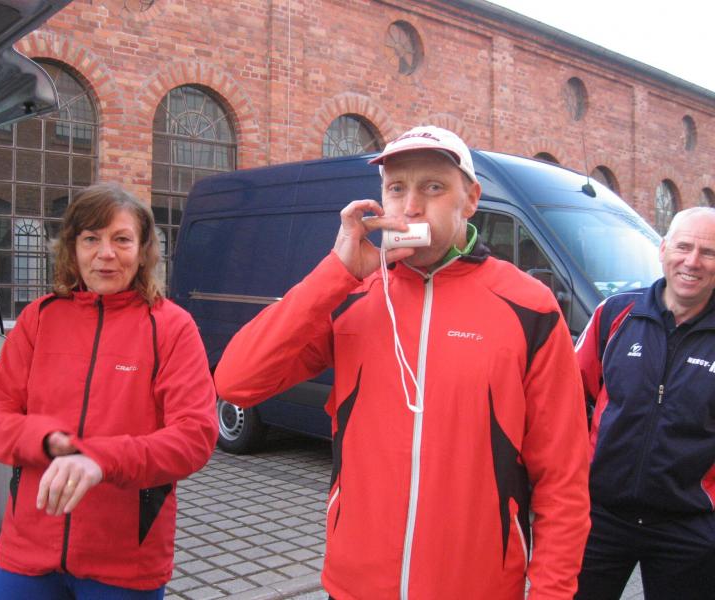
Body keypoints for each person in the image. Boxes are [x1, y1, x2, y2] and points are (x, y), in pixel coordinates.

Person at [214, 125, 590, 599]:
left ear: (470, 199)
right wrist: (336, 272)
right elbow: (237, 380)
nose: (411, 206)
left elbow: (564, 477)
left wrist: (552, 592)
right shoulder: (351, 295)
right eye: (396, 188)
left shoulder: (528, 306)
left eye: (433, 187)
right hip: (357, 585)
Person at [0, 183, 218, 599]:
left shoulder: (171, 327)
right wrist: (45, 440)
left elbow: (194, 436)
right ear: (72, 248)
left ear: (143, 251)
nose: (106, 253)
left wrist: (100, 460)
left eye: (121, 239)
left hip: (124, 559)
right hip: (28, 548)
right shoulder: (38, 319)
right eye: (91, 239)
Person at [575, 206, 715, 600]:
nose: (692, 261)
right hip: (600, 516)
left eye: (708, 252)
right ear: (663, 248)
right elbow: (566, 400)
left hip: (689, 527)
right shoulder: (616, 314)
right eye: (684, 247)